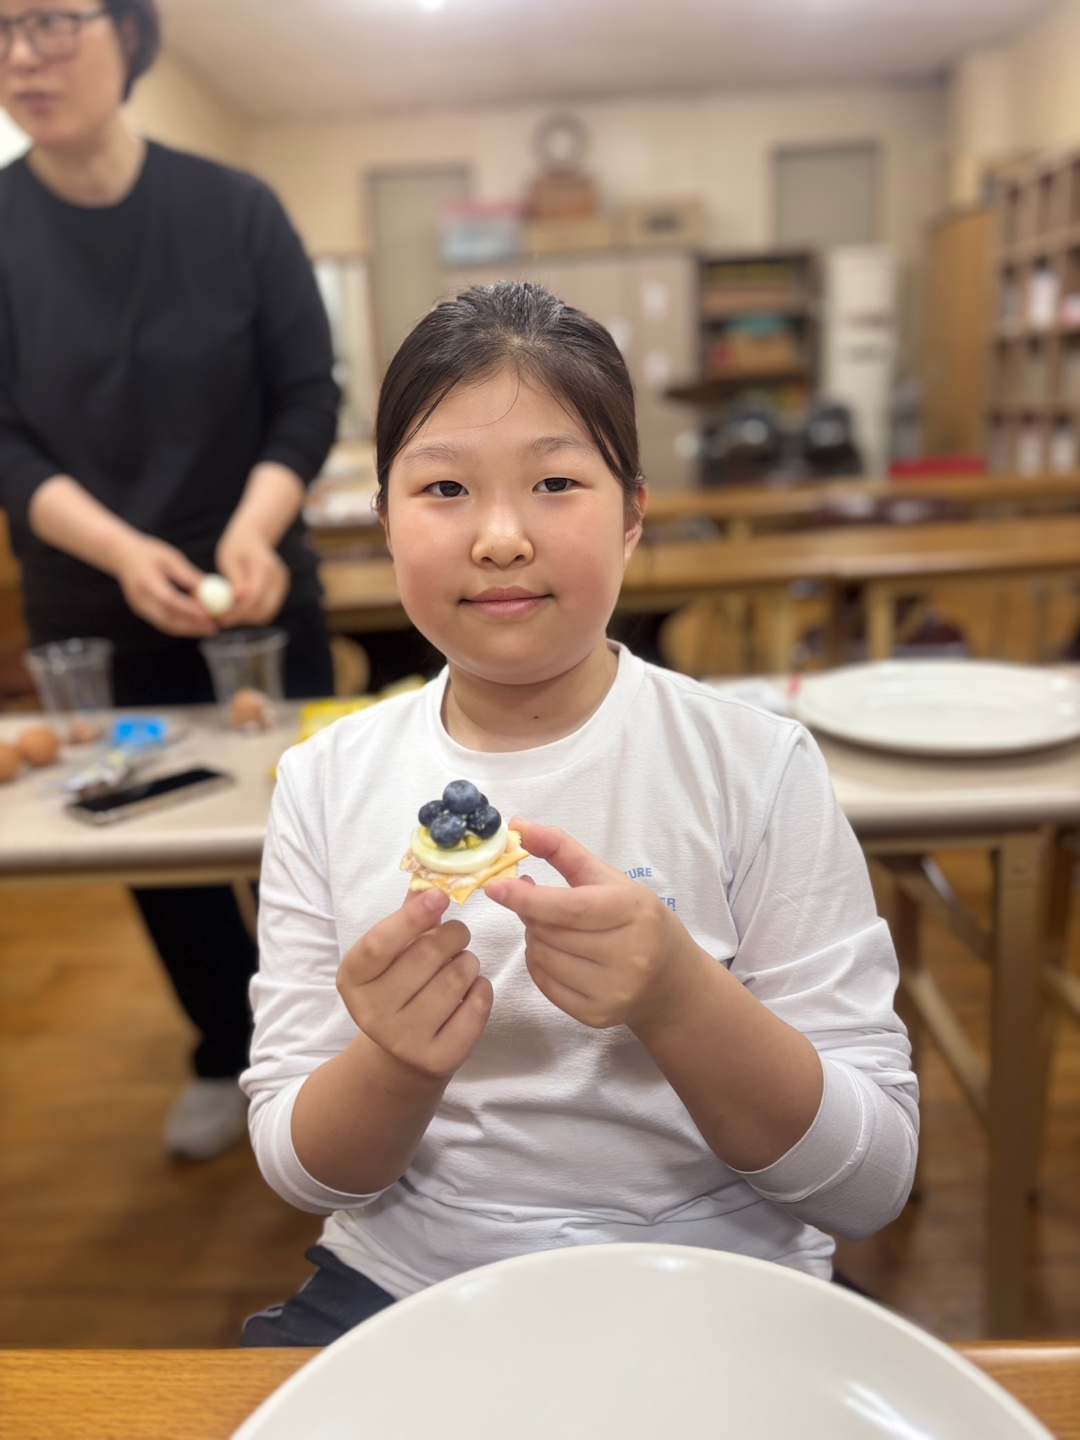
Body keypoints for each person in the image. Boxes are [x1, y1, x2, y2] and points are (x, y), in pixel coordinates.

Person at [241, 282, 918, 1346]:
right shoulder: (323, 782)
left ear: (633, 513)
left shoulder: (755, 764)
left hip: (721, 1275)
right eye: (444, 488)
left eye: (556, 482)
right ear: (384, 522)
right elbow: (301, 1168)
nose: (500, 537)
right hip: (412, 1282)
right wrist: (398, 1064)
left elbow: (870, 1184)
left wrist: (680, 997)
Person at [0, 1, 339, 1159]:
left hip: (256, 586)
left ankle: (333, 1050)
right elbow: (6, 441)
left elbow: (308, 392)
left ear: (129, 35)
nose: (24, 55)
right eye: (3, 29)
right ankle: (223, 1048)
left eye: (52, 21)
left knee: (298, 829)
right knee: (148, 839)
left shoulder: (235, 209)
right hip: (92, 598)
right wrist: (121, 550)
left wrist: (252, 529)